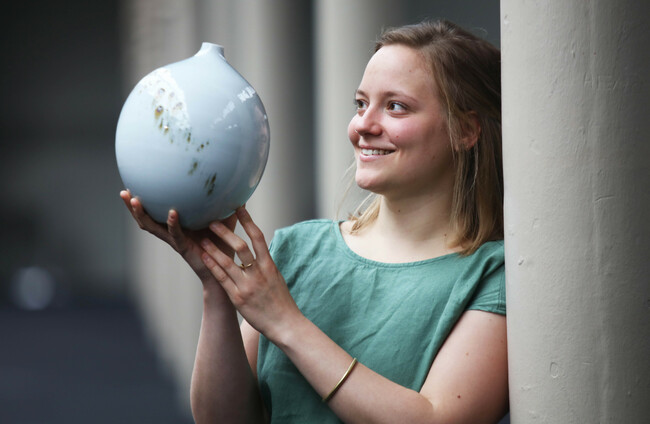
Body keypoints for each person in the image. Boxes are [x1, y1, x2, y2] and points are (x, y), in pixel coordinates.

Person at [121, 19, 507, 424]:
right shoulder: (298, 249)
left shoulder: (492, 276)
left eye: (395, 106)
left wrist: (286, 323)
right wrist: (217, 286)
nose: (363, 125)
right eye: (361, 104)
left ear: (465, 130)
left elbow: (436, 419)